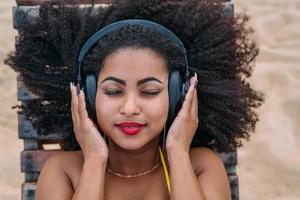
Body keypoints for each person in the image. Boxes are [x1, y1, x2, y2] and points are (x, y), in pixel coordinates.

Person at [5, 0, 264, 199]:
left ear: (177, 94)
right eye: (113, 91)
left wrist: (177, 151)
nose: (130, 108)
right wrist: (95, 160)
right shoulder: (63, 171)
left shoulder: (199, 166)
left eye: (150, 91)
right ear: (89, 94)